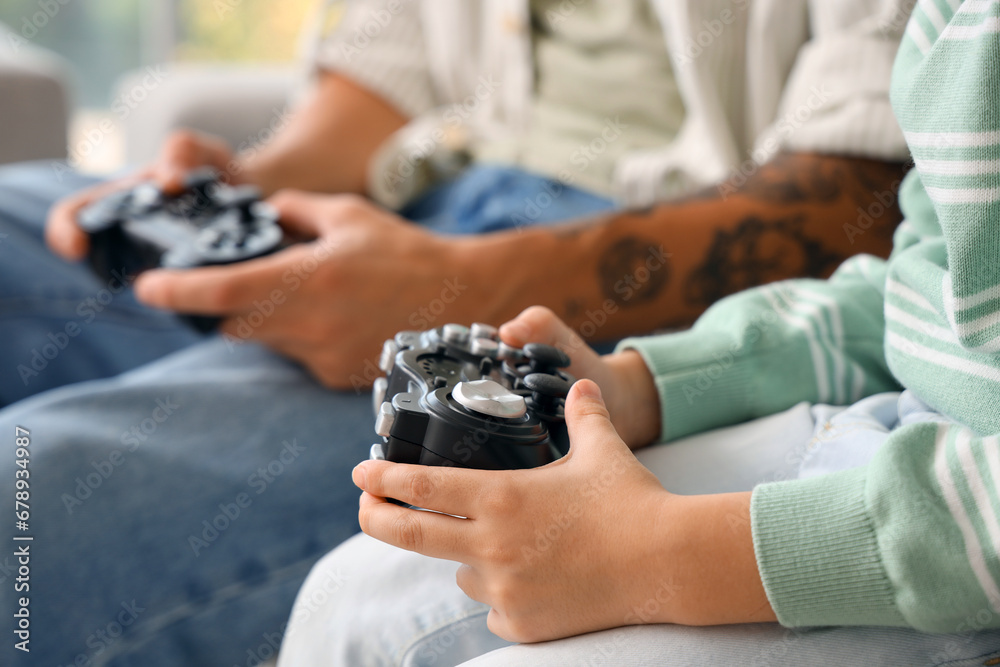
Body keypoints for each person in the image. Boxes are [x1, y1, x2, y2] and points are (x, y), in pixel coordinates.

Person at [0, 0, 913, 665]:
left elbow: (874, 207)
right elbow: (395, 50)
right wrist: (262, 189)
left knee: (25, 497)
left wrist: (462, 284)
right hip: (410, 194)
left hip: (640, 281)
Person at [276, 1, 1000, 665]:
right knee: (347, 601)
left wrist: (665, 556)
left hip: (960, 553)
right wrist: (648, 385)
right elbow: (918, 287)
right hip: (898, 427)